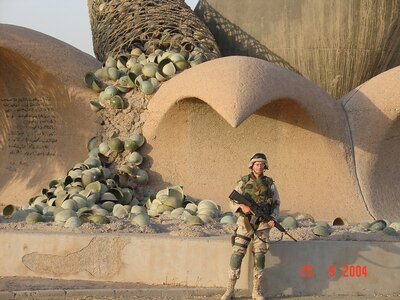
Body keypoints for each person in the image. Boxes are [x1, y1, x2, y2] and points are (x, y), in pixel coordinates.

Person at [221, 153, 280, 300]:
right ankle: (230, 290)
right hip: (245, 223)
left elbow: (277, 203)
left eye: (261, 164)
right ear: (252, 165)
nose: (259, 166)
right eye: (256, 164)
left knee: (259, 256)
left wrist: (273, 219)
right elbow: (231, 201)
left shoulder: (270, 183)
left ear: (265, 167)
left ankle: (256, 291)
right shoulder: (243, 182)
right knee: (237, 254)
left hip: (262, 225)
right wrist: (242, 207)